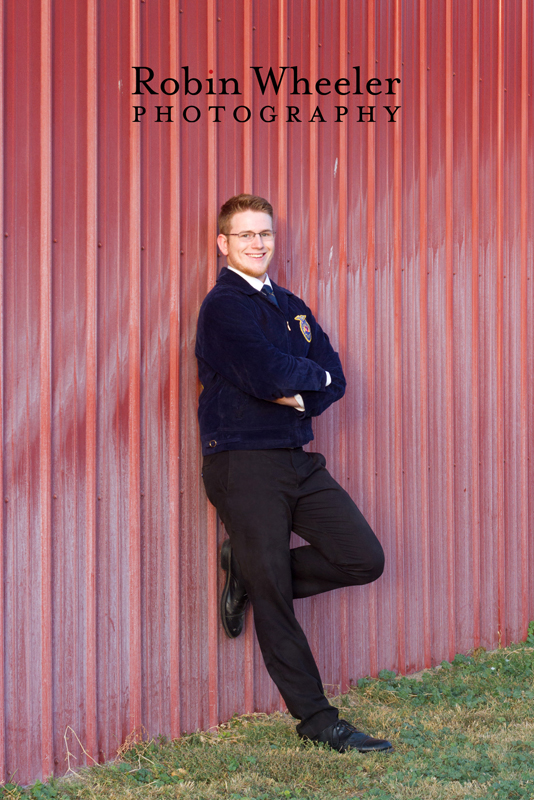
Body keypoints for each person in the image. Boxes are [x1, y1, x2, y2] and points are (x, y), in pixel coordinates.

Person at [195, 194, 392, 753]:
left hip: (296, 460)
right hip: (243, 461)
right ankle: (319, 723)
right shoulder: (224, 307)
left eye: (266, 234)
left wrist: (298, 391)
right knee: (275, 595)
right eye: (246, 235)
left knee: (363, 556)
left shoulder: (292, 306)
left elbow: (336, 377)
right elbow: (263, 372)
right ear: (223, 244)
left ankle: (250, 569)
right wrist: (304, 383)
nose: (259, 244)